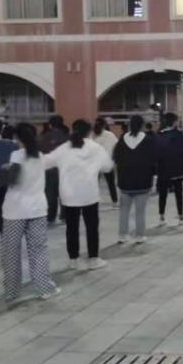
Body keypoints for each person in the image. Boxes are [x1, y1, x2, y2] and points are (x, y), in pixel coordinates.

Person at [0, 123, 59, 303]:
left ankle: (11, 291)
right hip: (37, 210)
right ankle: (43, 289)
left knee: (11, 252)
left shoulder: (15, 155)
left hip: (14, 211)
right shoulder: (40, 156)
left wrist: (4, 169)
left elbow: (12, 181)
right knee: (38, 250)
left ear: (17, 138)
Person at [44, 119, 112, 271]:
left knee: (71, 228)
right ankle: (93, 259)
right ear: (89, 131)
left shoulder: (64, 148)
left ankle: (74, 260)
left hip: (69, 195)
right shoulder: (96, 147)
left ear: (72, 130)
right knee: (92, 227)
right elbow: (107, 167)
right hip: (89, 194)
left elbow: (46, 162)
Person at [114, 115, 157, 244]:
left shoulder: (122, 139)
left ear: (129, 125)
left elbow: (116, 158)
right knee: (140, 211)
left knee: (124, 210)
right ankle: (139, 236)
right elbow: (153, 161)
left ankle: (122, 235)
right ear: (142, 125)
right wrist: (154, 177)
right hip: (143, 181)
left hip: (125, 181)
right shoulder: (148, 140)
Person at [156, 113, 183, 226]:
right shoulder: (178, 135)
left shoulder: (159, 135)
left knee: (163, 194)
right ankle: (181, 217)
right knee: (178, 194)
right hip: (176, 169)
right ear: (174, 122)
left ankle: (161, 218)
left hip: (163, 169)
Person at [38, 115, 69, 224]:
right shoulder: (68, 136)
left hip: (49, 169)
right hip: (65, 168)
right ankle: (64, 216)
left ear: (50, 124)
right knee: (64, 193)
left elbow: (40, 150)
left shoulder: (45, 136)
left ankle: (51, 217)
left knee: (50, 194)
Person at [92, 117, 119, 206]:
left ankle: (93, 200)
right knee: (111, 183)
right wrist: (114, 158)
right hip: (107, 162)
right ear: (104, 125)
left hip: (95, 163)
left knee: (94, 183)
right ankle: (114, 201)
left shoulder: (92, 135)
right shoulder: (110, 135)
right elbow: (117, 146)